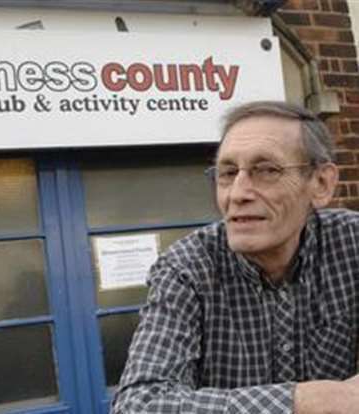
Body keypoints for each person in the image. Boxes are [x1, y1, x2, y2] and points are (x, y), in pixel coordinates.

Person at [111, 101, 359, 414]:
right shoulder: (187, 268)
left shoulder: (351, 243)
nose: (236, 194)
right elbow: (137, 405)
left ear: (321, 184)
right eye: (227, 173)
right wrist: (303, 400)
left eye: (267, 170)